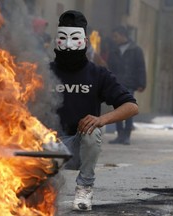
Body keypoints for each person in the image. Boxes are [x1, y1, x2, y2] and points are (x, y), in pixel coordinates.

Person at [49, 10, 139, 211]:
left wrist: (102, 119)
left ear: (85, 41)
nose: (69, 44)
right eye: (63, 38)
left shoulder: (97, 74)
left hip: (79, 146)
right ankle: (35, 189)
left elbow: (131, 106)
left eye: (75, 38)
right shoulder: (42, 72)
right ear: (56, 40)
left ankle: (84, 187)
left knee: (93, 130)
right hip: (46, 146)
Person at [107, 25, 146, 145]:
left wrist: (141, 83)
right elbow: (110, 67)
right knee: (118, 109)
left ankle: (127, 136)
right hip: (117, 83)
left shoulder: (136, 50)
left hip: (130, 83)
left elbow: (141, 67)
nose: (114, 39)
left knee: (128, 109)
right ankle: (119, 135)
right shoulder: (113, 50)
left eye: (116, 36)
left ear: (123, 35)